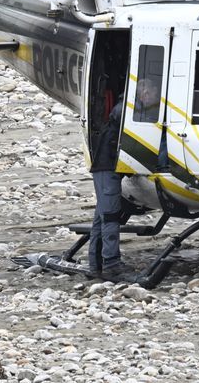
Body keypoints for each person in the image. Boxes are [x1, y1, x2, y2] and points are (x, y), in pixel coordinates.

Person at [88, 94, 129, 280]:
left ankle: (95, 265)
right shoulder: (124, 111)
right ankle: (111, 263)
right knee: (110, 216)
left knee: (101, 216)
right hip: (107, 167)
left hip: (105, 167)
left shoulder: (121, 108)